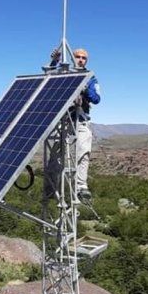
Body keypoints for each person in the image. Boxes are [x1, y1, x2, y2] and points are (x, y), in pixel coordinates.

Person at [48, 47, 101, 202]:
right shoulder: (65, 73)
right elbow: (49, 77)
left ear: (86, 61)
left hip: (81, 119)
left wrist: (84, 89)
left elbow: (97, 98)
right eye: (77, 56)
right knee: (55, 154)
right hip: (63, 119)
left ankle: (81, 186)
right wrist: (55, 60)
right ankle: (51, 185)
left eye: (83, 58)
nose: (80, 59)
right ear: (72, 58)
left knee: (84, 150)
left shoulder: (90, 78)